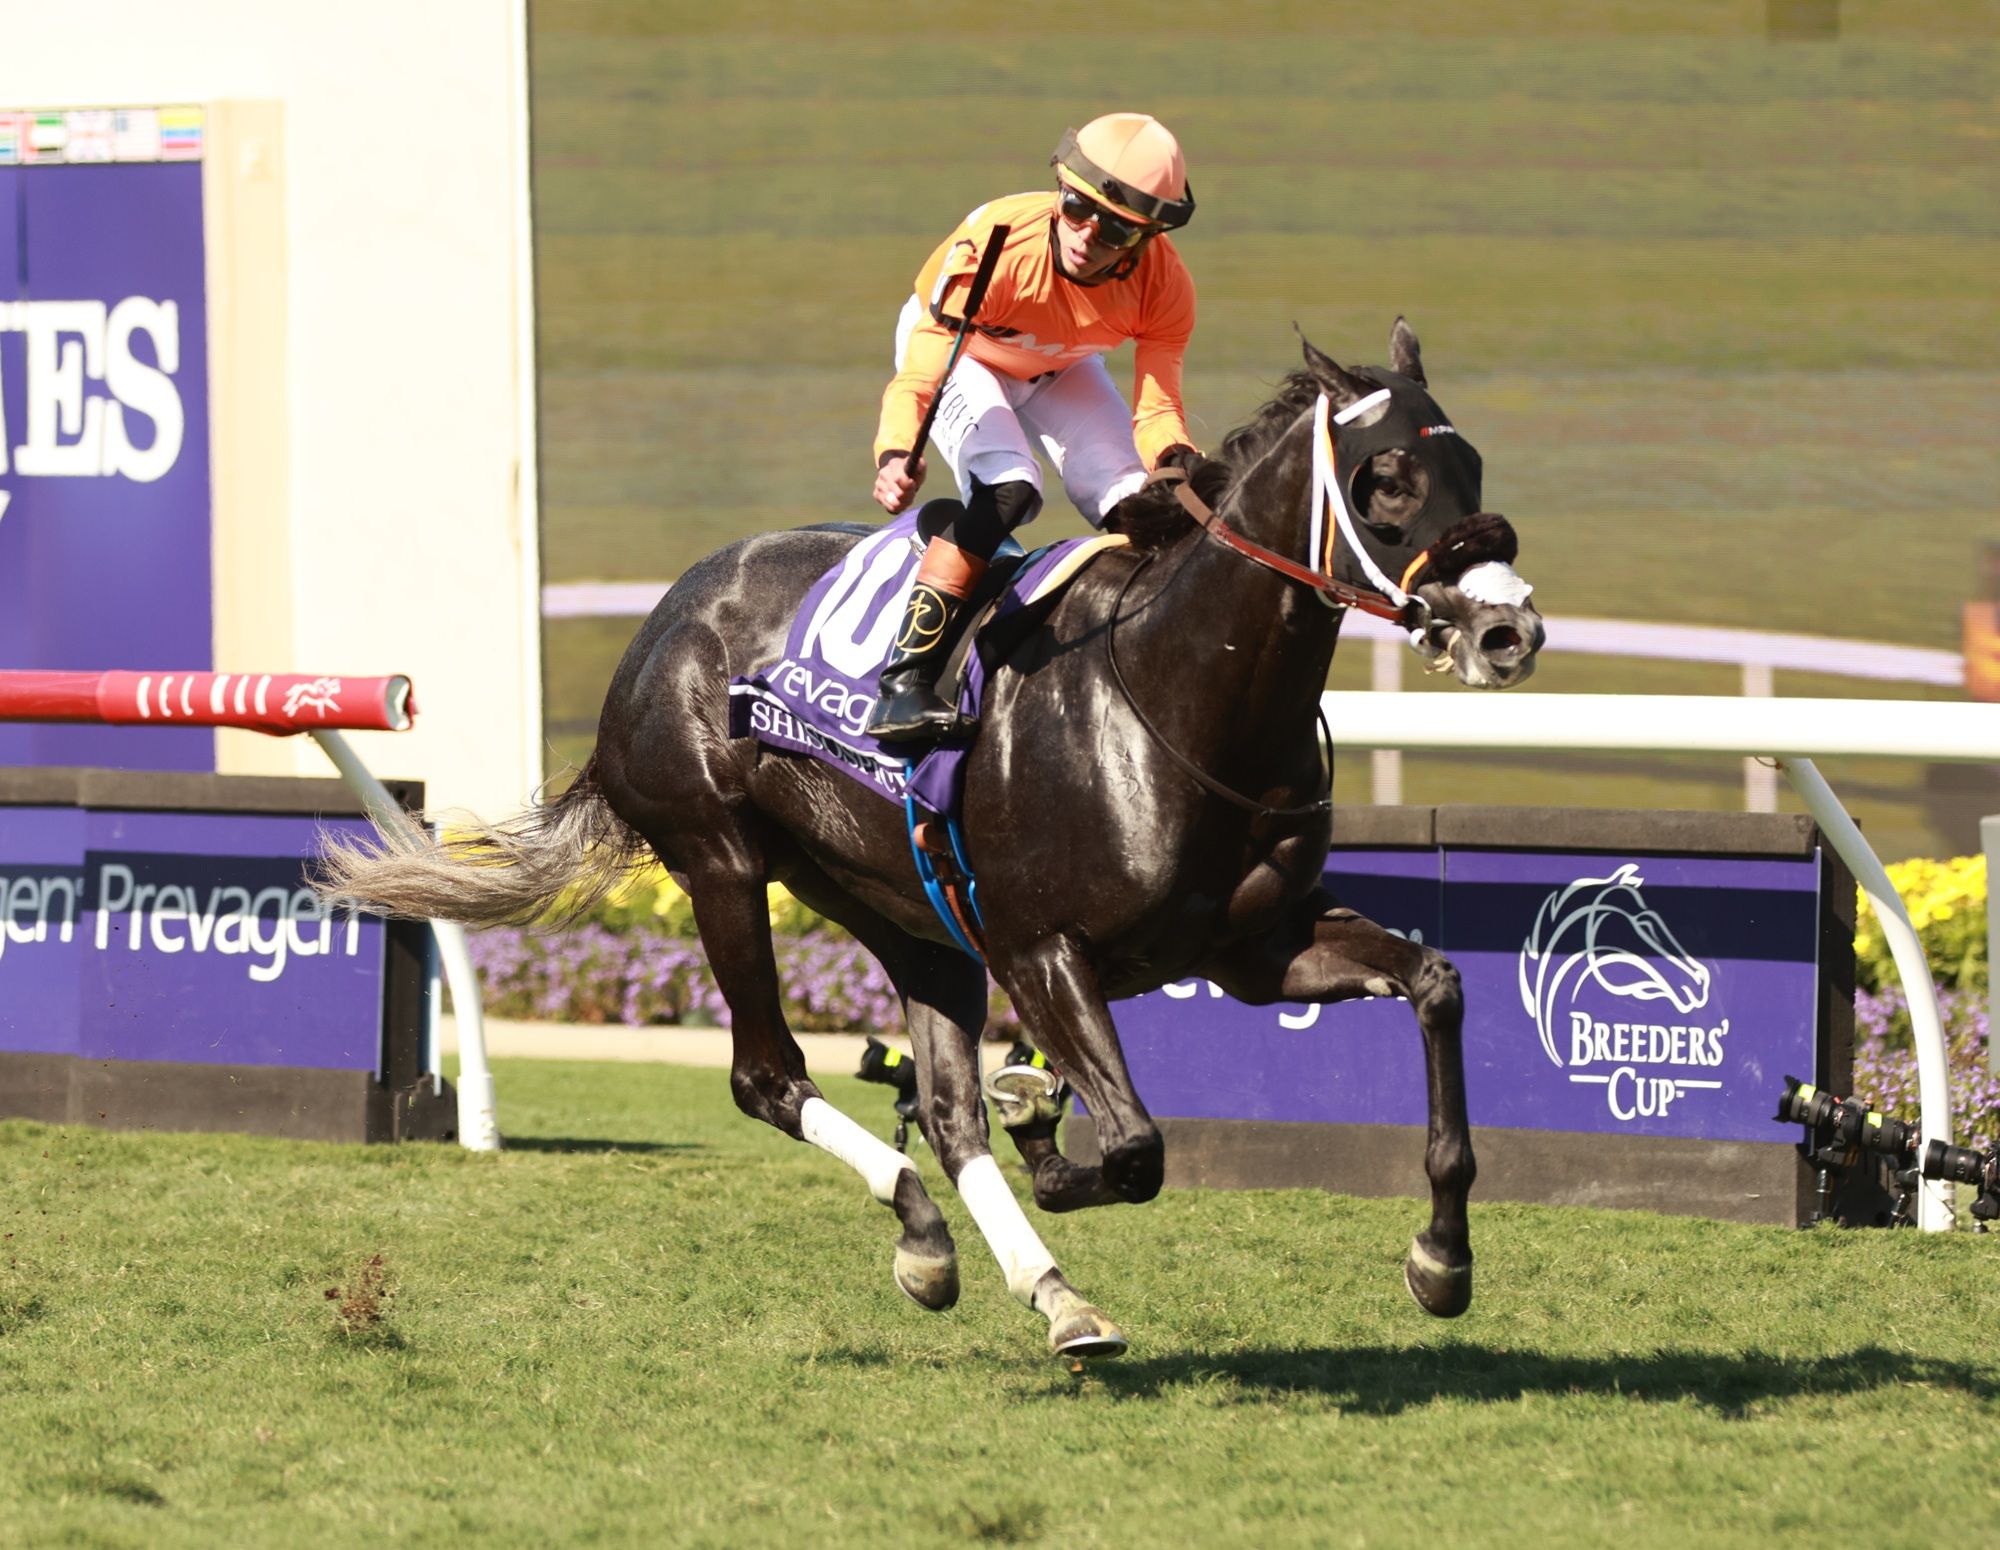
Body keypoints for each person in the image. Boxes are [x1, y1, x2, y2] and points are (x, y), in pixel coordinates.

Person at [864, 112, 1202, 744]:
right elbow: (924, 367)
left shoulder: (1167, 286)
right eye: (1076, 207)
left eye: (1117, 229)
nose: (1087, 235)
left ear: (1149, 235)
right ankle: (903, 685)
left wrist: (1182, 466)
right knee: (1012, 486)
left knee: (1142, 508)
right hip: (961, 353)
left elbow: (1157, 413)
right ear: (1060, 188)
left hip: (1059, 363)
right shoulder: (996, 242)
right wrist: (894, 448)